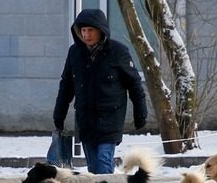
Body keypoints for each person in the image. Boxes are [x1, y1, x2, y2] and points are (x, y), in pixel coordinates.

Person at [53, 9, 148, 174]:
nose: (86, 35)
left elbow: (134, 84)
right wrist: (59, 114)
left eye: (90, 30)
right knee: (93, 167)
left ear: (101, 30)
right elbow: (66, 85)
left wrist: (140, 114)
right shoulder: (75, 53)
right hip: (85, 119)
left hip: (111, 118)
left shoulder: (118, 52)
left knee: (104, 160)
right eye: (83, 30)